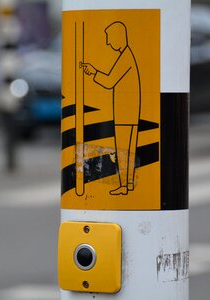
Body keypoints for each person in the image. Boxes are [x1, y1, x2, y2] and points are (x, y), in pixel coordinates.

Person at [82, 21, 141, 196]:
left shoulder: (125, 57)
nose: (108, 43)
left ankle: (124, 186)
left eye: (109, 38)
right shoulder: (127, 55)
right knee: (129, 150)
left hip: (125, 112)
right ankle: (128, 183)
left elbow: (109, 81)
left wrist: (93, 72)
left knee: (123, 150)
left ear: (118, 37)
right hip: (130, 111)